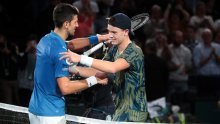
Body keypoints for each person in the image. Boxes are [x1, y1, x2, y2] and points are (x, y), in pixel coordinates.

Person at [28, 3, 108, 124]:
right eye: (75, 21)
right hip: (51, 115)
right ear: (66, 24)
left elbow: (71, 44)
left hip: (34, 111)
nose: (77, 25)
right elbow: (65, 88)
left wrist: (98, 38)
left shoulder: (46, 40)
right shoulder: (61, 52)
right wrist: (94, 80)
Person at [60, 13, 148, 122]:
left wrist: (80, 58)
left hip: (134, 112)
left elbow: (112, 68)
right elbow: (100, 71)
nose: (110, 36)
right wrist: (73, 69)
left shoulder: (135, 51)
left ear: (126, 32)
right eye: (109, 31)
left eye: (114, 32)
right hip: (118, 110)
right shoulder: (114, 50)